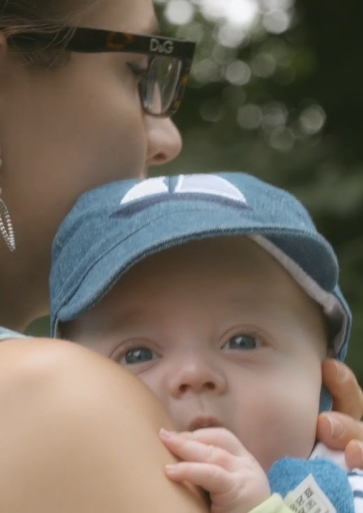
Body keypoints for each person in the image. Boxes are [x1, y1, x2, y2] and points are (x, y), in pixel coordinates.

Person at [0, 1, 361, 511]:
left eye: (242, 340)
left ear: (320, 373)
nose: (170, 136)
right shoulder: (58, 396)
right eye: (138, 71)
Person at [49, 172, 363, 513]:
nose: (193, 373)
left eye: (243, 342)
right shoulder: (40, 491)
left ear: (326, 373)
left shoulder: (344, 489)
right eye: (137, 354)